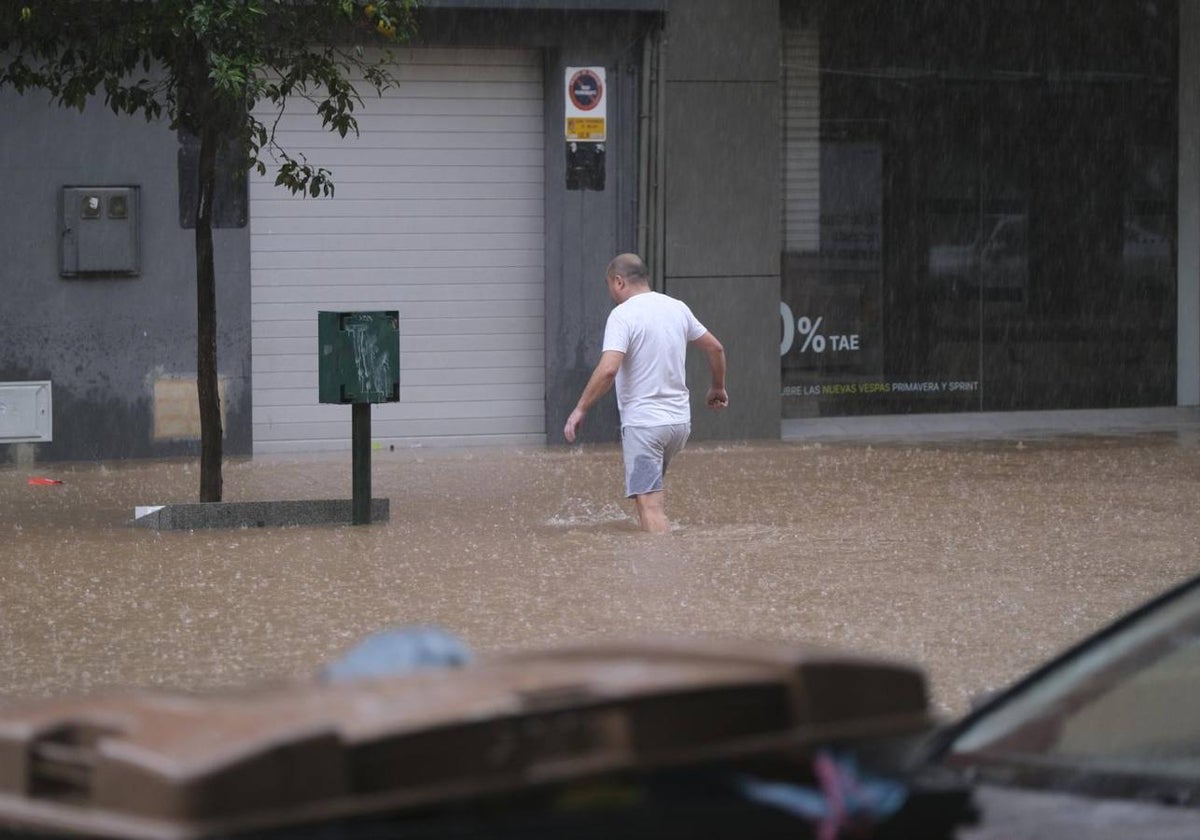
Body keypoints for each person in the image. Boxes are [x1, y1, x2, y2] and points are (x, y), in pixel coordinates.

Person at [563, 253, 727, 533]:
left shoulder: (623, 315)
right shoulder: (677, 308)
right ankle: (648, 562)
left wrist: (580, 408)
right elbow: (716, 348)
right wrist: (717, 386)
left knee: (650, 504)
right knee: (645, 496)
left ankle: (661, 569)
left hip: (646, 426)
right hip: (678, 426)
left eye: (609, 286)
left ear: (618, 282)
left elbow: (608, 370)